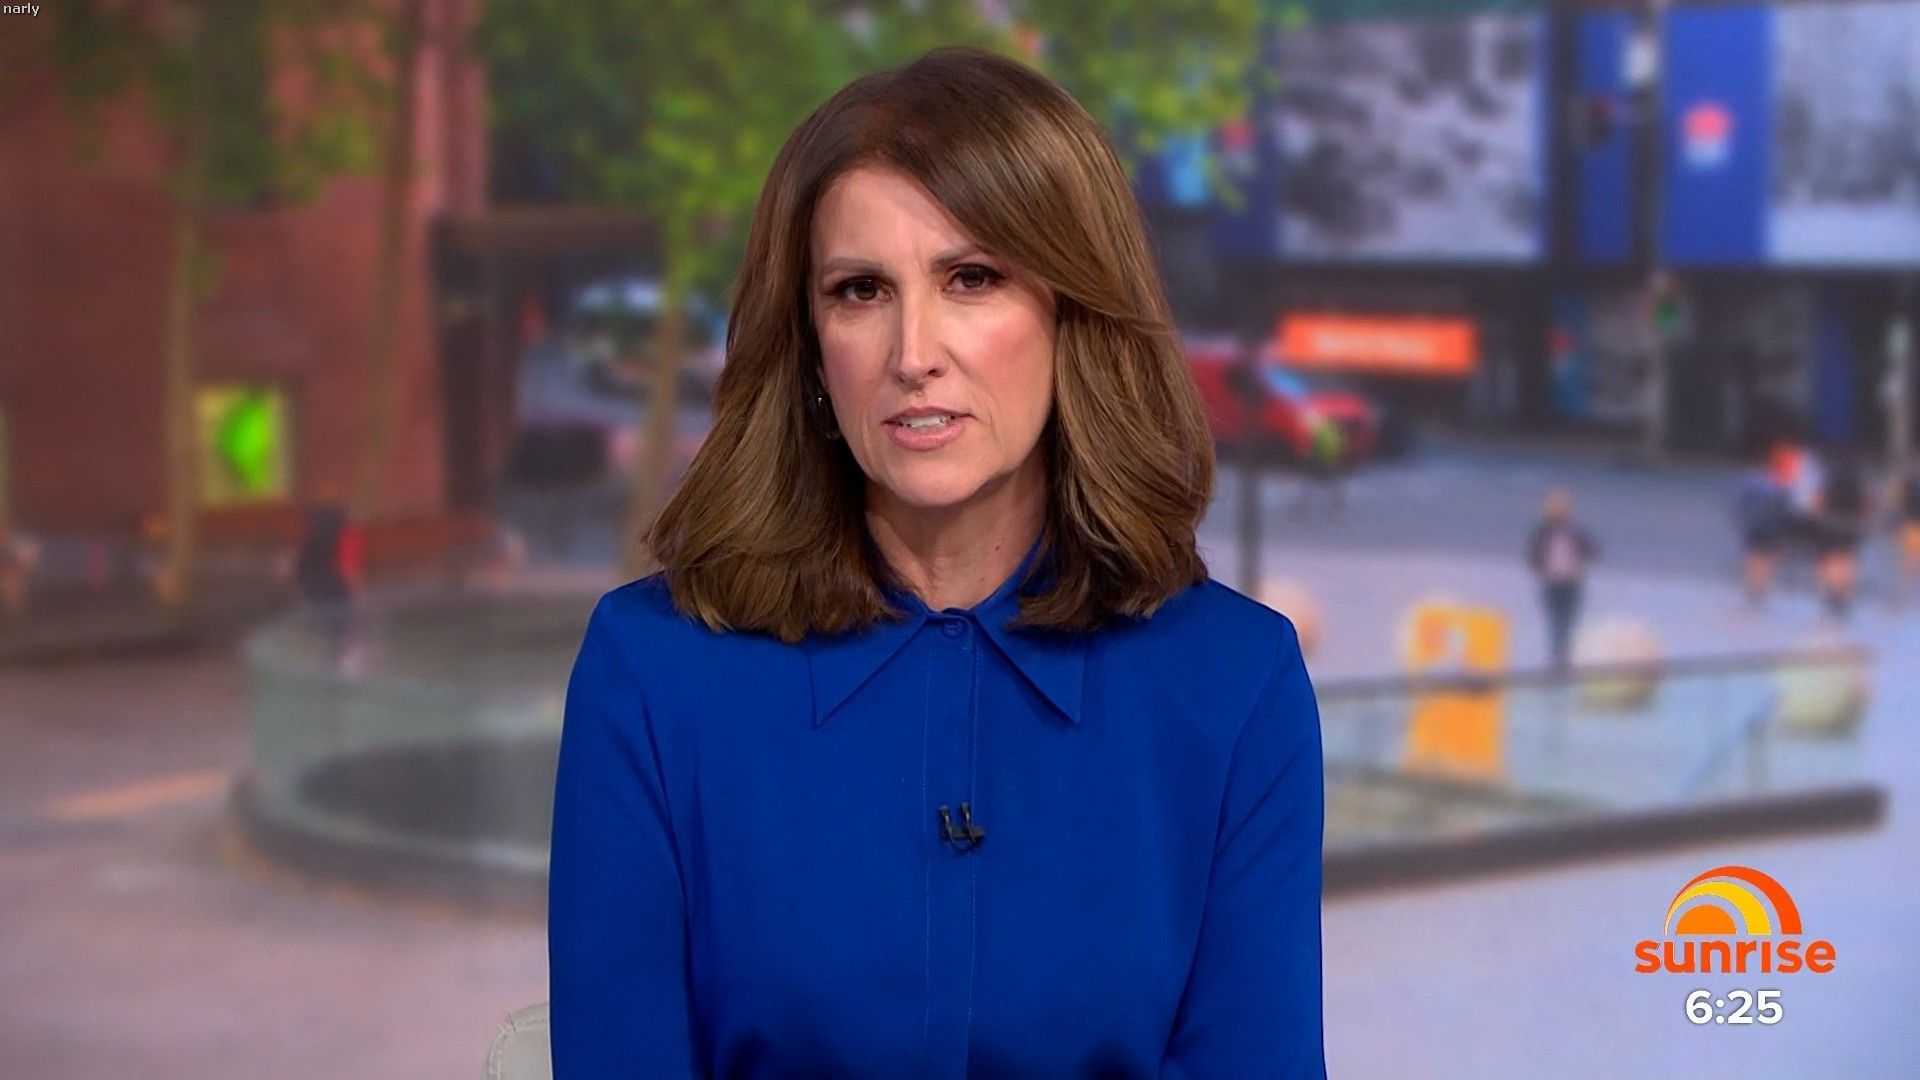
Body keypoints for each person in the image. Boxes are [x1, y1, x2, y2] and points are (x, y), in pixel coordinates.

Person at [548, 47, 1326, 1080]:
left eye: (972, 279)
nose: (913, 352)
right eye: (860, 290)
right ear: (812, 346)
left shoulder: (1234, 685)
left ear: (1074, 315)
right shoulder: (651, 674)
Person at [291, 484, 368, 675]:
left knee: (323, 637)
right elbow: (348, 568)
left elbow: (300, 559)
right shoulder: (348, 530)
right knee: (343, 638)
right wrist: (360, 596)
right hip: (336, 591)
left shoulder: (315, 526)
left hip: (312, 588)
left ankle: (321, 672)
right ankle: (340, 676)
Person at [1526, 487, 1598, 674]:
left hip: (1571, 582)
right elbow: (1533, 556)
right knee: (1556, 622)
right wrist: (1543, 569)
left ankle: (1564, 658)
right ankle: (1558, 659)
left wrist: (1579, 563)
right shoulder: (1542, 534)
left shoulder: (1574, 533)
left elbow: (1591, 550)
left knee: (1568, 622)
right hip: (1552, 583)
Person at [1811, 449, 1870, 620]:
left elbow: (1818, 500)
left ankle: (1833, 592)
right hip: (1851, 523)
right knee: (1847, 559)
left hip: (1831, 523)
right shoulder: (1858, 480)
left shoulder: (1830, 478)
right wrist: (1864, 520)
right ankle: (1844, 593)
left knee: (1831, 558)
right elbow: (1865, 503)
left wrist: (1818, 515)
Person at [1733, 449, 1790, 607]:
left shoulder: (1751, 481)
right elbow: (1784, 509)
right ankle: (1760, 591)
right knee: (1766, 560)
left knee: (1753, 558)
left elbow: (1740, 504)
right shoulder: (1780, 483)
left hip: (1753, 525)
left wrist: (1741, 522)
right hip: (1771, 526)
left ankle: (1752, 590)